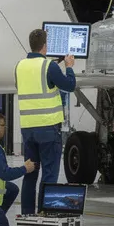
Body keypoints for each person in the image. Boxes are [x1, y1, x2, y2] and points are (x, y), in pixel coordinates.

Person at [16, 28, 76, 216]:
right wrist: (69, 66)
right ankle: (44, 213)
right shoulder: (49, 66)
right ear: (45, 46)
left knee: (30, 173)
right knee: (49, 173)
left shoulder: (20, 66)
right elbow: (70, 86)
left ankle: (27, 214)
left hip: (28, 129)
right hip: (48, 128)